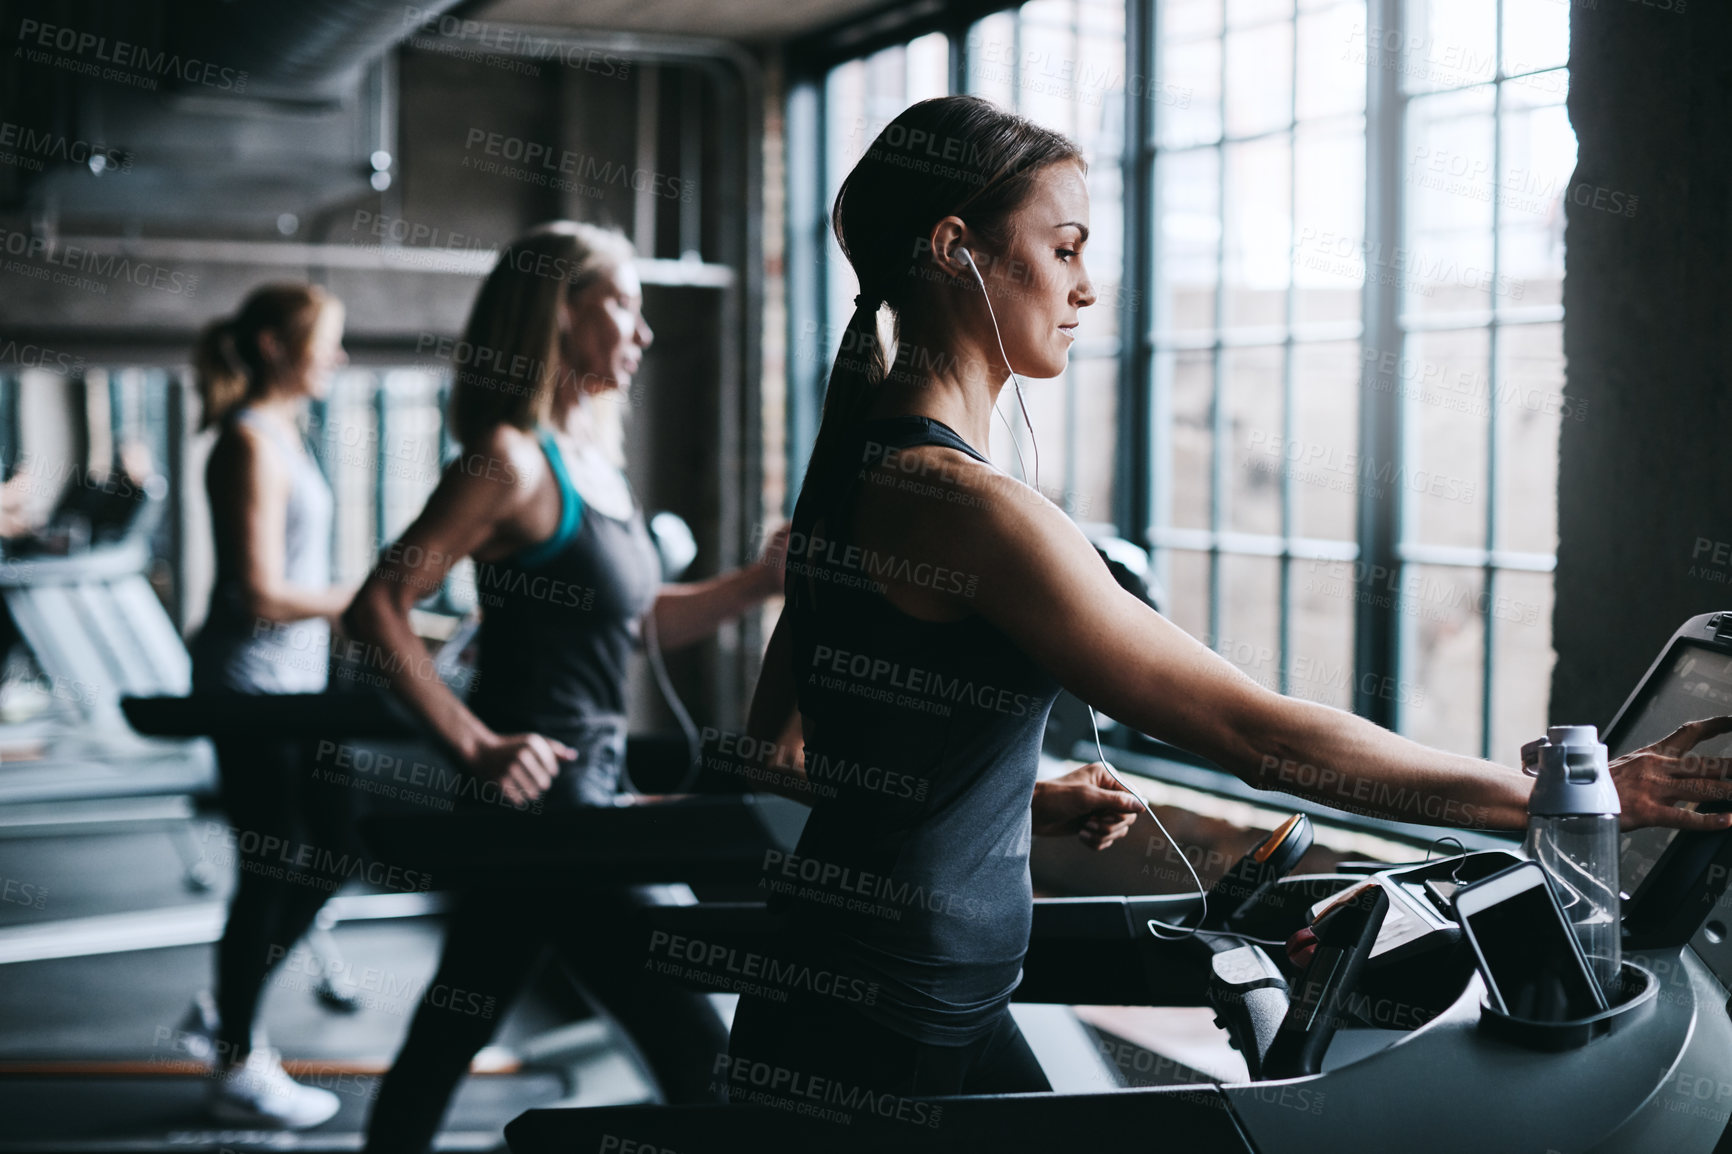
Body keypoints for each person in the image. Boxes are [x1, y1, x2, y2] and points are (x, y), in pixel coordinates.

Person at [732, 93, 1732, 1104]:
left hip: (873, 995)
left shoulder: (850, 471)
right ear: (955, 249)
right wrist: (1546, 799)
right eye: (1065, 247)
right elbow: (1253, 733)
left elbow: (783, 753)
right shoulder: (969, 508)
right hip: (899, 1024)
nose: (1087, 286)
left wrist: (1016, 798)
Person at [344, 221, 787, 1154]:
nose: (643, 330)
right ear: (559, 311)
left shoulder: (592, 465)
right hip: (549, 813)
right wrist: (473, 744)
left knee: (452, 1023)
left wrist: (756, 584)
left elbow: (634, 623)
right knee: (699, 1059)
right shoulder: (509, 459)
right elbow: (379, 606)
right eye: (621, 303)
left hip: (585, 799)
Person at [187, 282, 358, 1127]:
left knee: (334, 847)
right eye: (325, 341)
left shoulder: (283, 433)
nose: (337, 356)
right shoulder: (247, 441)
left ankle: (228, 1008)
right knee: (274, 866)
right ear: (271, 347)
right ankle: (235, 1064)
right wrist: (361, 600)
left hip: (294, 690)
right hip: (249, 690)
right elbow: (257, 591)